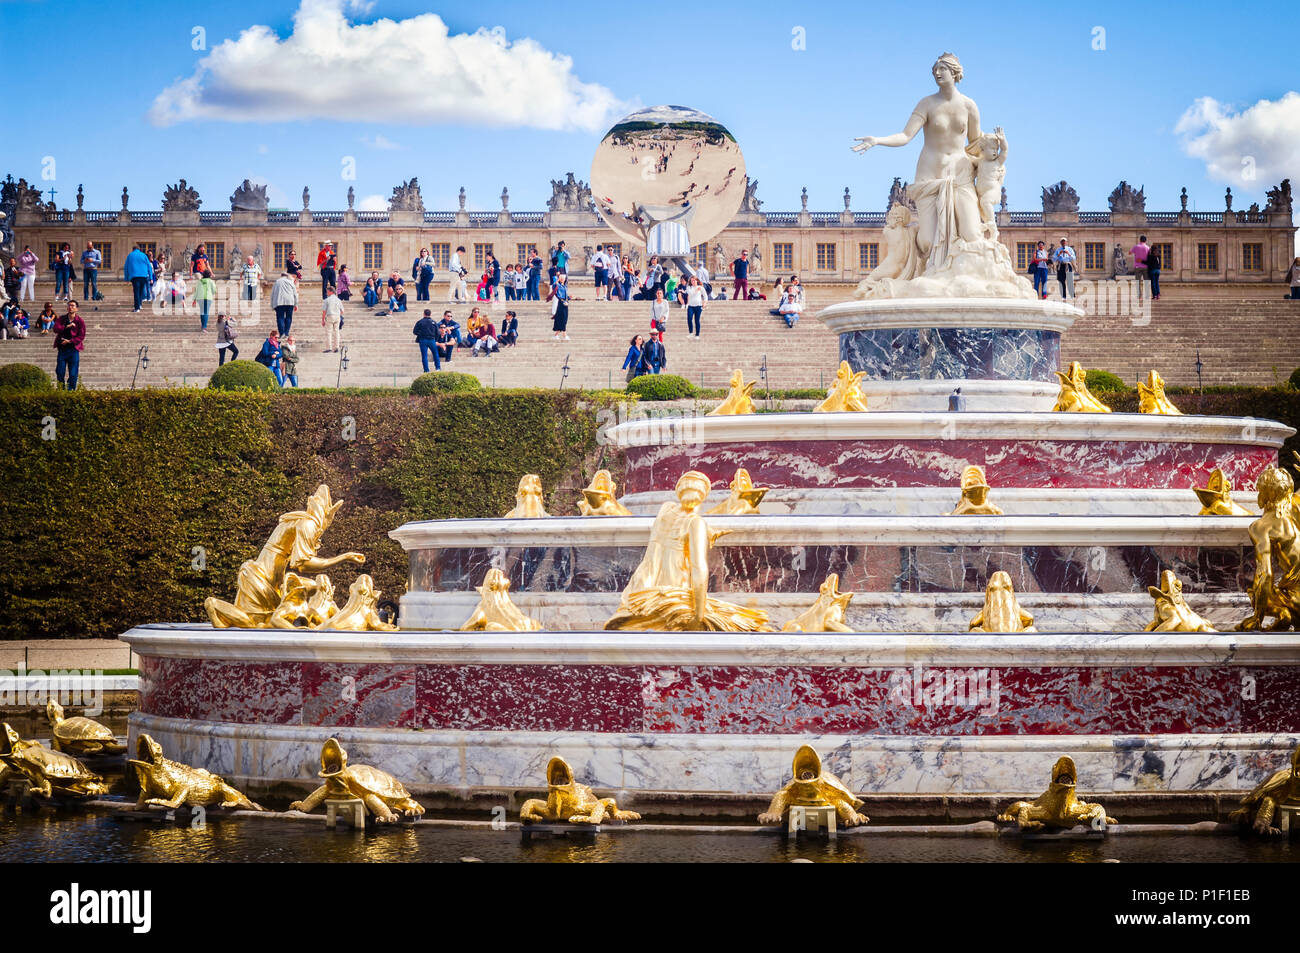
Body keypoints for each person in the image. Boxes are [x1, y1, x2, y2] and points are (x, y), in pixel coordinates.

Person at [53, 300, 85, 390]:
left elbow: (81, 336)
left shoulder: (80, 321)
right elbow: (55, 329)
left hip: (73, 349)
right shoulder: (62, 319)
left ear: (76, 308)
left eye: (73, 305)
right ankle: (61, 388)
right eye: (69, 305)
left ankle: (71, 390)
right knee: (60, 371)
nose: (70, 307)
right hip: (62, 349)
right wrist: (66, 326)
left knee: (73, 373)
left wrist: (70, 341)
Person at [123, 244, 153, 312]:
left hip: (135, 276)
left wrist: (126, 278)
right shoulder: (144, 255)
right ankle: (139, 305)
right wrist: (151, 277)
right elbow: (149, 267)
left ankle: (137, 308)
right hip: (144, 276)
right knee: (141, 291)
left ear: (133, 249)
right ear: (139, 249)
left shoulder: (130, 255)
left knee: (136, 291)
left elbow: (126, 267)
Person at [271, 271, 298, 335]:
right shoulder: (290, 282)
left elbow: (272, 294)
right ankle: (286, 332)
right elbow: (295, 294)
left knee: (280, 318)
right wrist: (296, 304)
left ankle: (282, 332)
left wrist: (272, 305)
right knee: (289, 317)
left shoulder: (277, 282)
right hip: (290, 302)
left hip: (279, 302)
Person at [548, 271, 570, 341]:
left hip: (566, 303)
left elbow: (565, 296)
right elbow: (554, 286)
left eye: (564, 278)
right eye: (562, 278)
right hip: (561, 303)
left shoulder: (565, 286)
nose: (563, 279)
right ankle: (564, 335)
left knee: (564, 319)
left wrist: (569, 298)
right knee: (562, 319)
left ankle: (556, 335)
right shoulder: (558, 285)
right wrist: (558, 280)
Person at [322, 286, 343, 352]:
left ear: (331, 291)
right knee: (336, 332)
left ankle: (329, 348)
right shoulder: (338, 300)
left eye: (327, 291)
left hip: (330, 315)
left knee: (329, 332)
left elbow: (324, 311)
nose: (326, 293)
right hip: (337, 316)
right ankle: (336, 347)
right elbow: (342, 311)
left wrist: (323, 320)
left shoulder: (327, 300)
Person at [1130, 235, 1151, 299]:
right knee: (1146, 281)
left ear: (1140, 240)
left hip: (1137, 267)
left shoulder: (1136, 247)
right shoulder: (1148, 247)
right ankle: (1147, 295)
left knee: (1137, 282)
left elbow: (1129, 253)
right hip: (1146, 267)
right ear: (1145, 240)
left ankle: (1139, 296)